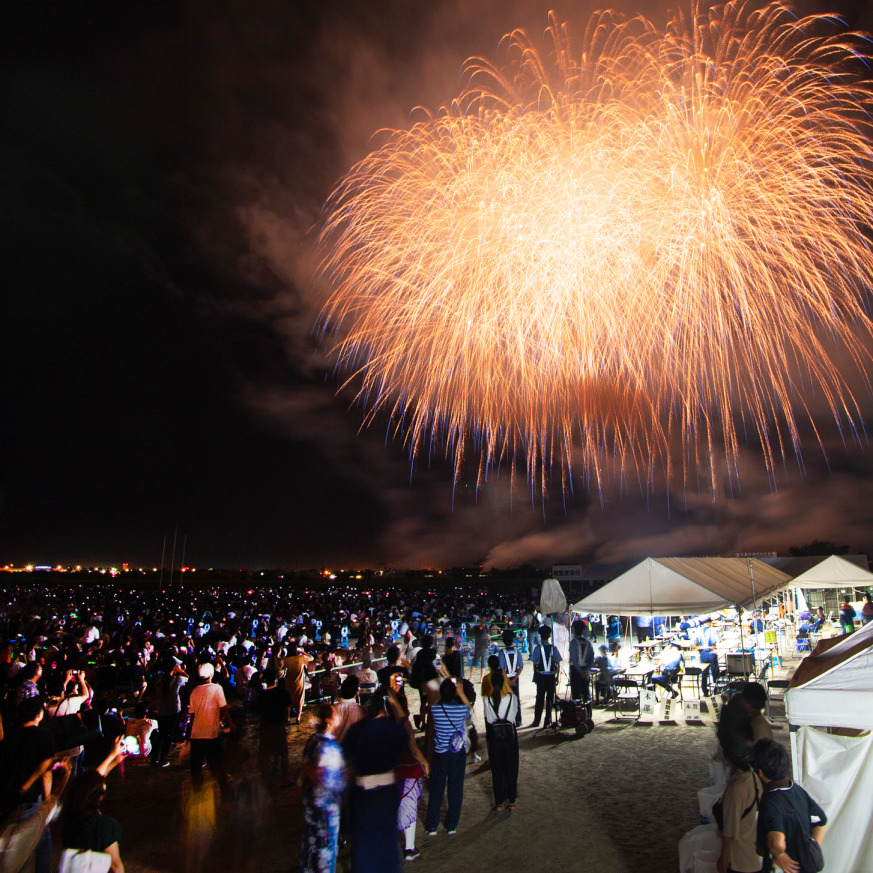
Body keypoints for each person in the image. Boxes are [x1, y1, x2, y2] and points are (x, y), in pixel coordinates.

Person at [343, 688, 410, 873]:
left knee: (362, 840)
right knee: (387, 837)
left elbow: (346, 759)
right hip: (386, 791)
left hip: (361, 791)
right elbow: (405, 725)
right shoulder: (392, 730)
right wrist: (397, 705)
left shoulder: (356, 730)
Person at [754, 738, 827, 873]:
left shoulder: (770, 801)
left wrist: (780, 854)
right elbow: (821, 820)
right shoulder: (797, 790)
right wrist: (810, 849)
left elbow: (777, 842)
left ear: (760, 772)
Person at [62, 738, 127, 873]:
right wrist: (112, 757)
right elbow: (116, 866)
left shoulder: (69, 816)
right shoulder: (104, 825)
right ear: (100, 797)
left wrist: (113, 759)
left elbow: (89, 784)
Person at [300, 704, 345, 873]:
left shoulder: (313, 740)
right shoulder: (330, 748)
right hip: (325, 809)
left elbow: (305, 768)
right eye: (336, 714)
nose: (339, 716)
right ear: (329, 721)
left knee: (311, 847)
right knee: (325, 852)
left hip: (309, 804)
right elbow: (329, 781)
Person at [424, 678, 472, 836]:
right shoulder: (461, 709)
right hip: (457, 752)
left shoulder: (435, 709)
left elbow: (437, 702)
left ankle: (431, 825)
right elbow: (470, 709)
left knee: (436, 789)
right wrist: (460, 692)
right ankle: (451, 825)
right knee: (455, 788)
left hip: (440, 752)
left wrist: (442, 693)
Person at [391, 677, 430, 863]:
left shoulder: (386, 723)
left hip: (392, 770)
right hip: (407, 771)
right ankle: (409, 847)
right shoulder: (404, 724)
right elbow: (414, 750)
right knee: (409, 809)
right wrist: (425, 763)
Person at [716, 737, 762, 873]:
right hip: (755, 856)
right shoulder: (754, 777)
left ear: (729, 760)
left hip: (740, 861)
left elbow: (730, 831)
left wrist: (723, 860)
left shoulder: (737, 788)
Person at [188, 662, 234, 795]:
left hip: (196, 735)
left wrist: (190, 732)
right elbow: (223, 708)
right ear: (211, 675)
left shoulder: (195, 691)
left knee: (196, 767)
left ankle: (197, 791)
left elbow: (192, 715)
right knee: (217, 764)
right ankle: (224, 790)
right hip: (211, 734)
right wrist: (230, 723)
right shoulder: (216, 689)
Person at [482, 657, 519, 812]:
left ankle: (498, 803)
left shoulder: (487, 701)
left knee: (497, 770)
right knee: (511, 768)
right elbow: (512, 697)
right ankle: (511, 800)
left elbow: (488, 720)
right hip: (510, 737)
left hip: (495, 737)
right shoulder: (512, 698)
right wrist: (506, 682)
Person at [255, 667, 291, 786]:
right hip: (279, 726)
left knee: (265, 754)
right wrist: (285, 722)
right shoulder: (283, 693)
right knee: (283, 753)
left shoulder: (262, 696)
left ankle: (267, 780)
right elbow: (287, 710)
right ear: (276, 678)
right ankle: (284, 779)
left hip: (266, 726)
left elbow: (258, 713)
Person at [149, 657, 187, 768]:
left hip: (162, 710)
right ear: (174, 668)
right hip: (173, 710)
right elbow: (189, 679)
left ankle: (154, 759)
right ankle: (163, 760)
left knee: (161, 734)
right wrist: (181, 671)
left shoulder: (158, 679)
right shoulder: (178, 679)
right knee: (168, 735)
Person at [530, 625, 561, 727]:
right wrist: (557, 677)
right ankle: (547, 721)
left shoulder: (537, 649)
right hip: (551, 676)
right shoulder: (554, 648)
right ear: (549, 636)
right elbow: (558, 663)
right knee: (549, 699)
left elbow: (534, 664)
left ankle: (536, 720)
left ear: (540, 636)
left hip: (541, 676)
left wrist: (536, 676)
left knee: (539, 699)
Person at [497, 629, 524, 726]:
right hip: (515, 679)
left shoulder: (501, 652)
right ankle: (519, 720)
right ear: (513, 640)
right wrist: (514, 679)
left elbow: (502, 668)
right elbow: (521, 666)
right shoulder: (517, 652)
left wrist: (508, 681)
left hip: (505, 679)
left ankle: (509, 720)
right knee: (516, 698)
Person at [284, 642, 314, 724]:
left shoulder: (286, 660)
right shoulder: (300, 658)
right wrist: (302, 652)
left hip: (289, 683)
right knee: (300, 700)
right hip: (299, 682)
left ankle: (287, 719)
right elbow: (311, 658)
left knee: (289, 701)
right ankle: (298, 718)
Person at [332, 676, 367, 742]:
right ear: (357, 692)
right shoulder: (362, 710)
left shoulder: (334, 708)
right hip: (353, 747)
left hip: (336, 746)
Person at [568, 619, 595, 703]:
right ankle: (588, 713)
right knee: (586, 692)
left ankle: (578, 714)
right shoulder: (588, 643)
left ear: (574, 630)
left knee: (576, 695)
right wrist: (585, 670)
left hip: (575, 670)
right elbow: (592, 659)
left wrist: (580, 671)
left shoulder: (573, 643)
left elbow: (574, 660)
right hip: (586, 670)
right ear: (583, 631)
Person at [694, 617, 721, 696]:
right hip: (711, 652)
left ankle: (704, 690)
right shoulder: (712, 630)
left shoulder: (699, 630)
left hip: (703, 653)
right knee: (714, 672)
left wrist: (698, 650)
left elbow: (694, 642)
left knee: (704, 672)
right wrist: (714, 649)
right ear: (709, 622)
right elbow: (714, 642)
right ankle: (716, 689)